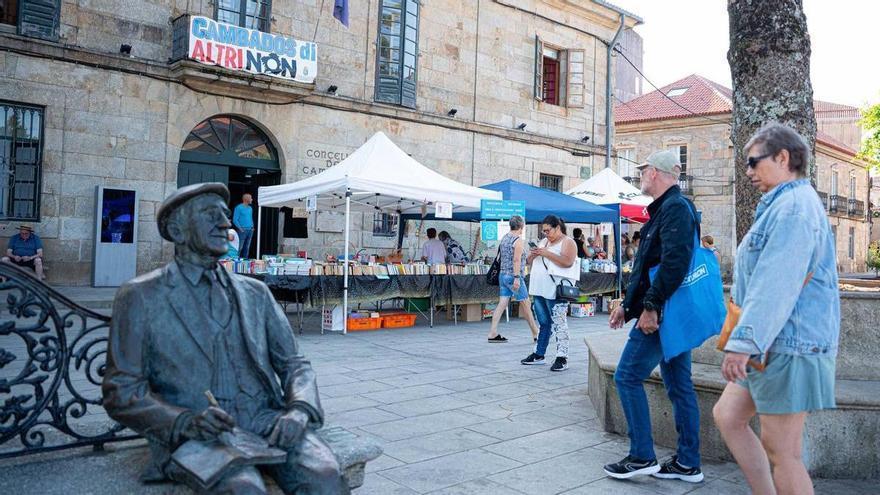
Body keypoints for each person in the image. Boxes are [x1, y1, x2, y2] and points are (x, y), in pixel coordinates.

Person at [102, 183, 348, 494]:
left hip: (265, 419)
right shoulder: (141, 295)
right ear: (178, 231)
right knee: (243, 489)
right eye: (210, 215)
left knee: (325, 475)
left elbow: (295, 364)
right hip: (199, 432)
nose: (225, 224)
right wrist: (185, 421)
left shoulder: (255, 292)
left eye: (225, 215)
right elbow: (121, 390)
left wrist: (299, 410)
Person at [712, 123, 839, 495]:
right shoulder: (786, 205)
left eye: (754, 161)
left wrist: (743, 341)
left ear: (783, 158)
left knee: (783, 451)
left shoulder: (795, 209)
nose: (748, 171)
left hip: (788, 345)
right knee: (728, 415)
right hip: (776, 343)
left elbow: (776, 284)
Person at [606, 149, 704, 482]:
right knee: (679, 386)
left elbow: (674, 265)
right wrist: (627, 306)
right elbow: (651, 265)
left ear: (656, 174)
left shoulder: (674, 208)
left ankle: (642, 456)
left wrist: (649, 308)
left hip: (661, 315)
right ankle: (688, 463)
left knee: (626, 377)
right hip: (667, 313)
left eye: (643, 169)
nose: (640, 174)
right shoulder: (668, 208)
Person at [520, 215, 579, 372]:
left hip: (556, 289)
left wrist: (546, 253)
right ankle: (539, 354)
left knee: (559, 323)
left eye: (548, 230)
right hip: (539, 288)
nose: (545, 233)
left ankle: (562, 356)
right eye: (543, 230)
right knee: (544, 323)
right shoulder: (544, 241)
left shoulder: (568, 242)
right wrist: (534, 253)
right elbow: (528, 261)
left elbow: (568, 261)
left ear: (557, 227)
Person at [487, 215, 540, 343]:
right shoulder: (518, 240)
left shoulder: (505, 238)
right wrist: (517, 277)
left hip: (503, 275)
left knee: (502, 304)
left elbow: (519, 260)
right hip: (513, 276)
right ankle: (536, 333)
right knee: (526, 303)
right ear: (521, 226)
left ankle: (492, 332)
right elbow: (516, 260)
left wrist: (532, 255)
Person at [233, 193, 255, 259]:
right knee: (240, 247)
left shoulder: (250, 208)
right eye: (250, 198)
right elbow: (235, 219)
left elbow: (250, 218)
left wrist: (252, 227)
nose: (252, 199)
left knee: (247, 248)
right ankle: (236, 261)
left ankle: (245, 262)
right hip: (242, 230)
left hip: (250, 230)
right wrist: (240, 229)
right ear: (246, 199)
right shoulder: (238, 207)